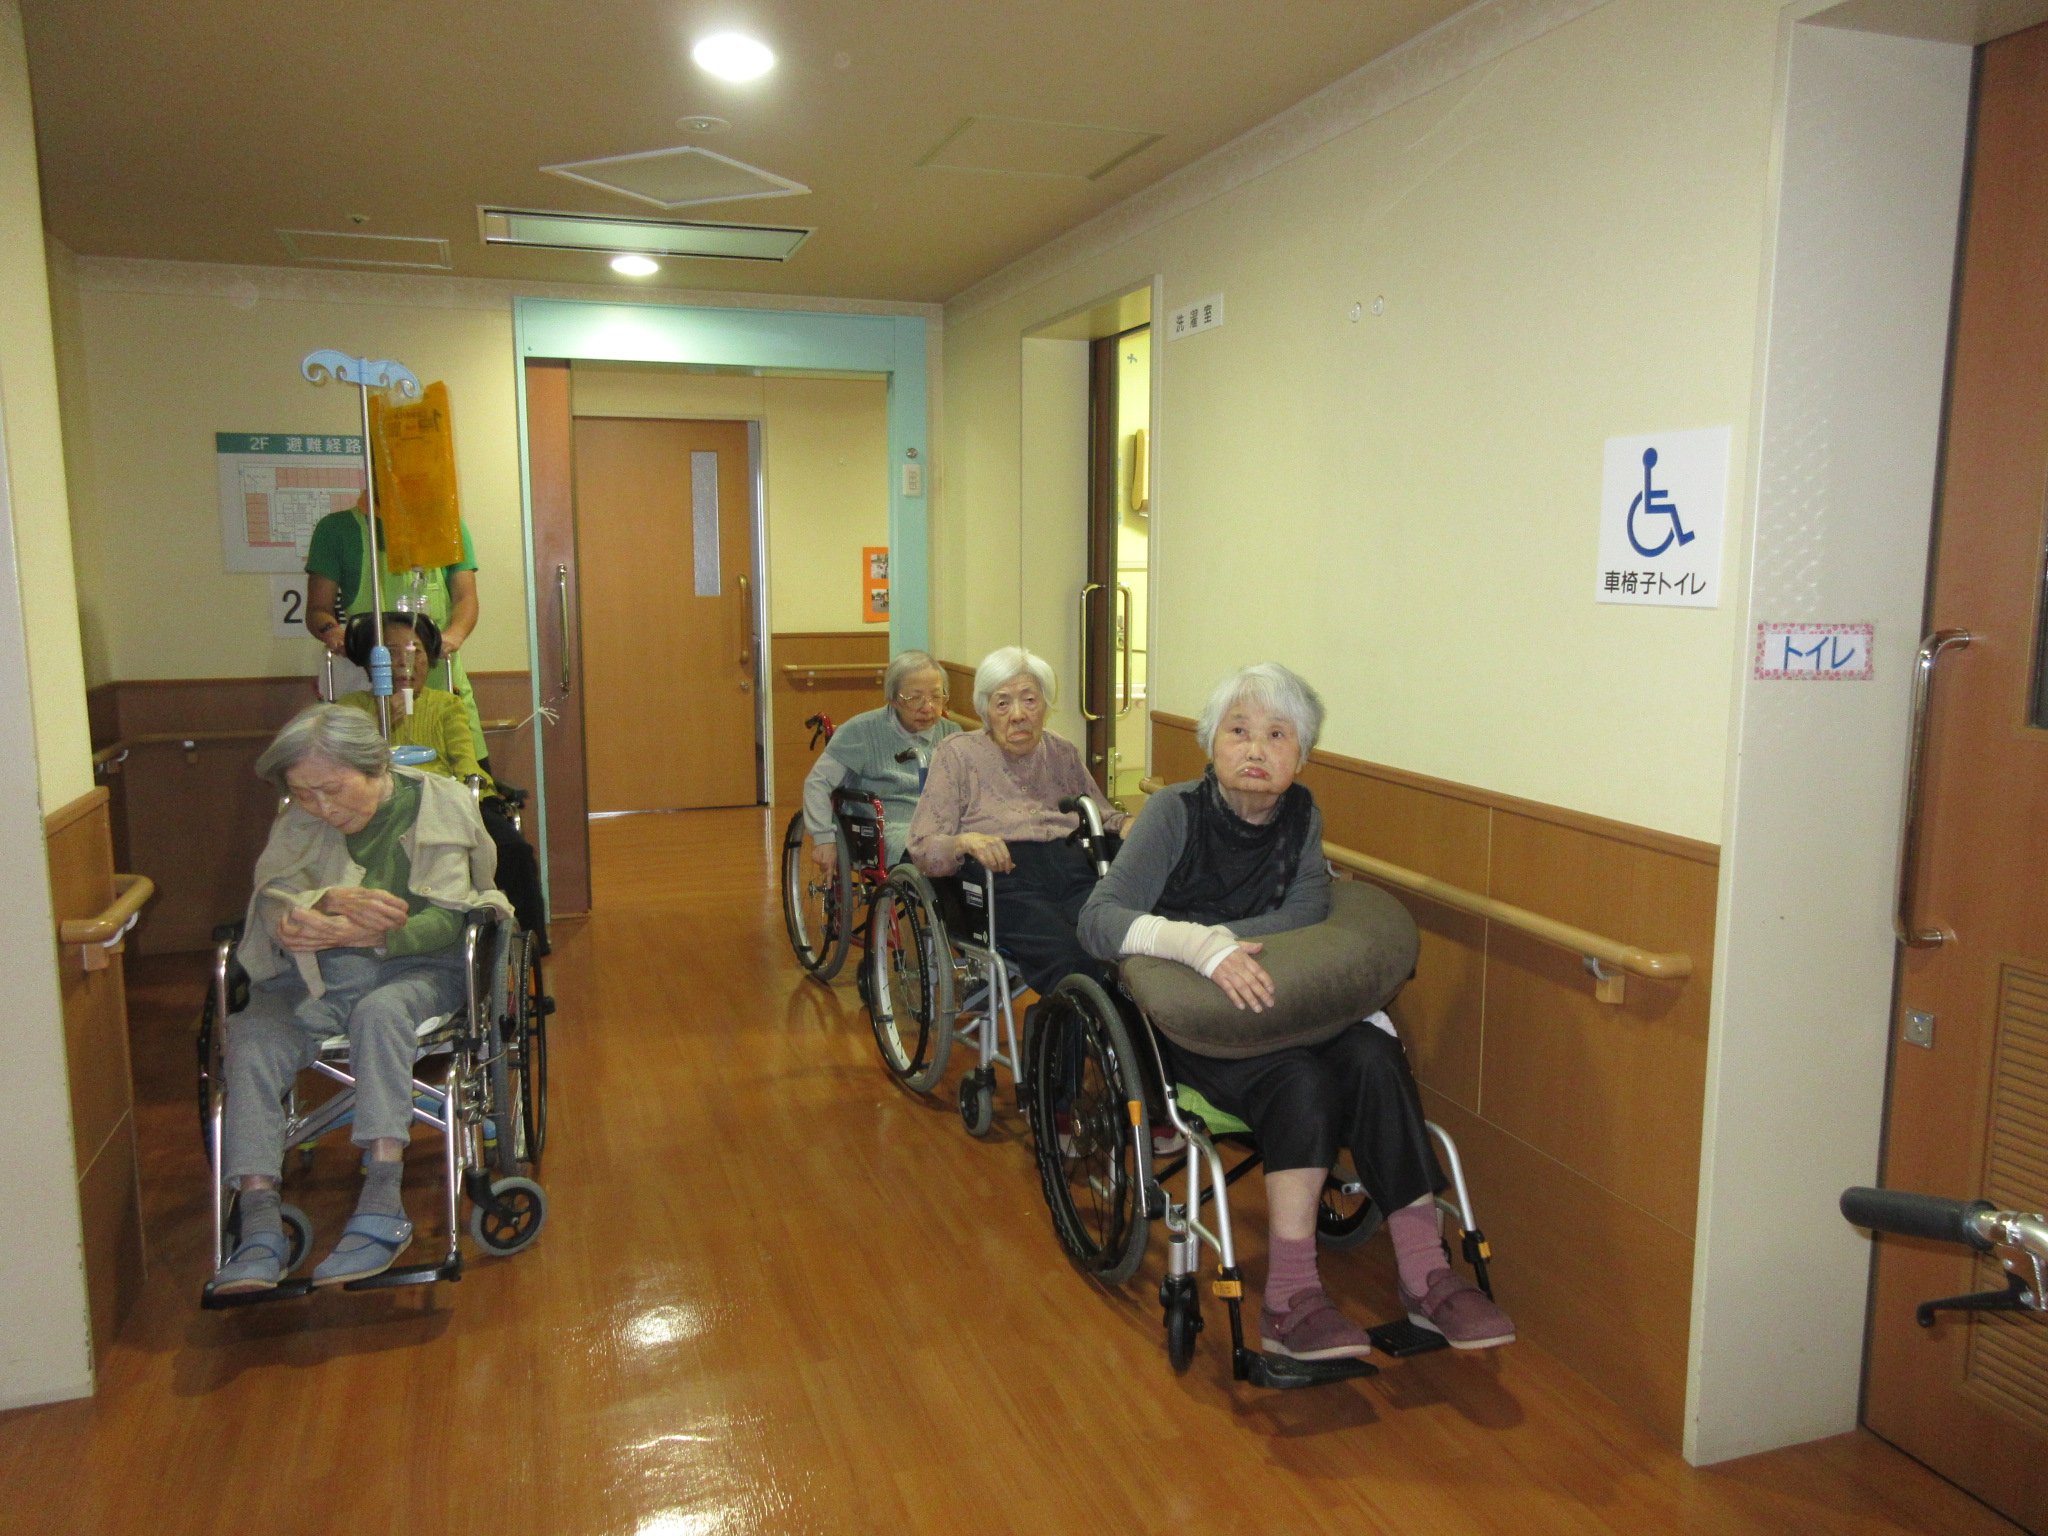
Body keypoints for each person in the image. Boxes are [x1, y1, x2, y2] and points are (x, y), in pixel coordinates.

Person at [1078, 663, 1516, 1361]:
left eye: (1278, 735)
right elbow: (1099, 920)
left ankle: (1426, 1274)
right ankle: (1289, 1299)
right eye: (1239, 731)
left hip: (1284, 1004)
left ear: (1302, 754)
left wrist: (1241, 945)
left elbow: (1310, 909)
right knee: (1301, 1081)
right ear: (1211, 742)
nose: (1256, 749)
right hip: (1199, 1027)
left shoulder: (1301, 814)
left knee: (1374, 1055)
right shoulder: (1175, 814)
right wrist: (1200, 948)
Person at [207, 704, 511, 1296]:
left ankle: (382, 1200)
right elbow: (273, 897)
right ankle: (259, 1223)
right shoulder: (298, 820)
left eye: (330, 789)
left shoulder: (440, 803)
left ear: (374, 766)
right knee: (251, 1036)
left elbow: (454, 916)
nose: (320, 808)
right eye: (303, 794)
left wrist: (377, 936)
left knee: (379, 1014)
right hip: (314, 977)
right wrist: (312, 910)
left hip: (422, 968)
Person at [907, 647, 1126, 996]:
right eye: (1003, 703)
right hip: (1004, 879)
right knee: (1070, 958)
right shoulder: (957, 754)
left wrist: (1129, 825)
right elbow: (922, 847)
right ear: (986, 710)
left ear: (1046, 705)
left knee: (1119, 944)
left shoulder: (1062, 751)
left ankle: (1101, 1030)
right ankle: (1060, 1028)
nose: (1018, 715)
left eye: (1030, 700)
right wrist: (965, 841)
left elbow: (1101, 815)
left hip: (1073, 870)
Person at [337, 611, 547, 953]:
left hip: (444, 802)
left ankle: (525, 948)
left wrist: (473, 794)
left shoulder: (447, 705)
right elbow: (342, 765)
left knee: (512, 848)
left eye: (415, 651)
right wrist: (378, 722)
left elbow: (466, 764)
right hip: (382, 811)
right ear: (371, 661)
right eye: (390, 651)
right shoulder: (352, 708)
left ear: (429, 660)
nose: (404, 662)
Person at [303, 495, 487, 765]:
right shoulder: (337, 529)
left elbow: (465, 598)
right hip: (370, 684)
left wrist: (453, 636)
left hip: (439, 678)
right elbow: (318, 609)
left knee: (465, 771)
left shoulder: (449, 528)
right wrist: (334, 633)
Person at [801, 650, 960, 869]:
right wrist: (824, 837)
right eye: (915, 698)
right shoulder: (860, 731)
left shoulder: (951, 733)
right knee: (935, 852)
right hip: (890, 828)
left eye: (936, 696)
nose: (928, 707)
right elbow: (817, 783)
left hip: (944, 825)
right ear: (893, 699)